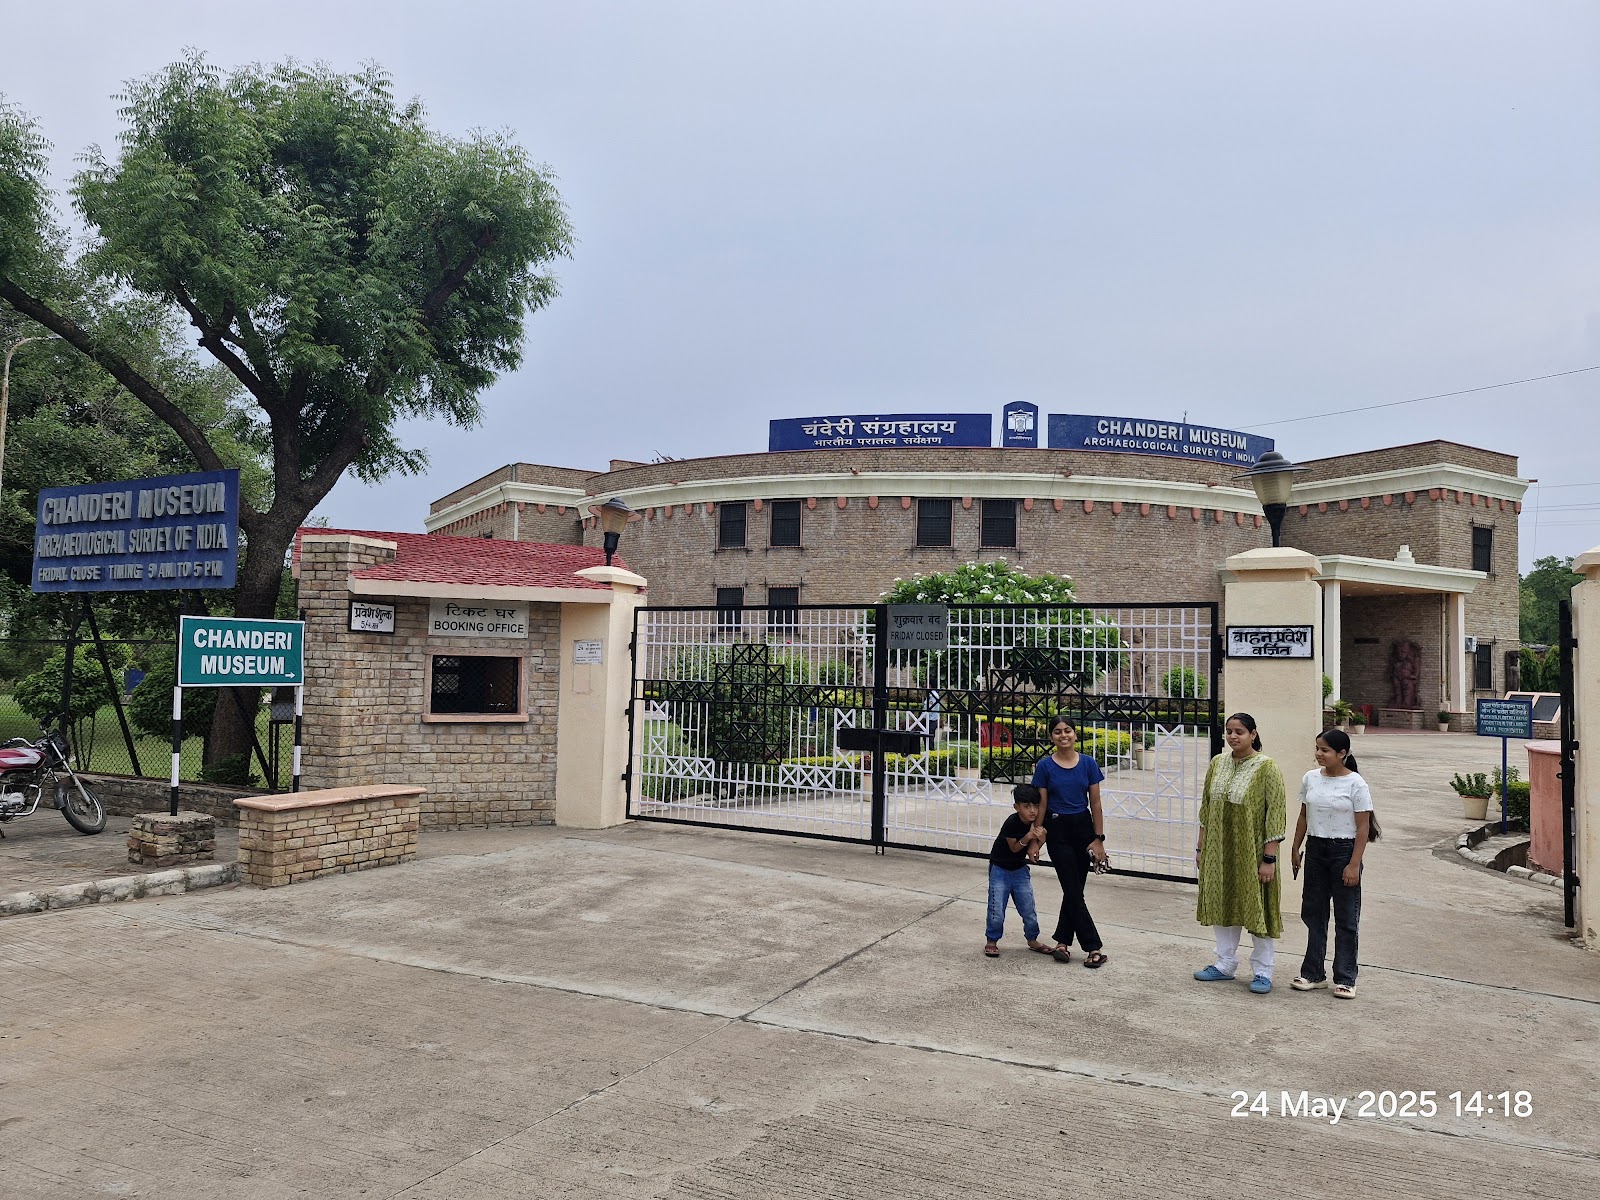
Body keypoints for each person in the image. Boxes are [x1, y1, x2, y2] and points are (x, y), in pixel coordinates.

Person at [1194, 713, 1286, 994]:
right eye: (1229, 731)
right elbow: (1207, 808)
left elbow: (1276, 814)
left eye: (1240, 732)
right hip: (1219, 850)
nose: (1233, 737)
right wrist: (1201, 848)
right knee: (1222, 902)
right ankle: (1224, 964)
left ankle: (1263, 971)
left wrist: (1268, 858)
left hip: (1253, 852)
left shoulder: (1266, 767)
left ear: (1253, 734)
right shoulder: (1218, 763)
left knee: (1257, 907)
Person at [1290, 728, 1375, 999]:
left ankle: (1346, 977)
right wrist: (1295, 847)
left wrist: (1354, 865)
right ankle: (1313, 973)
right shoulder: (1310, 779)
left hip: (1344, 851)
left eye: (1325, 750)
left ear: (1342, 754)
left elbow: (1363, 828)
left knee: (1346, 918)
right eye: (1317, 748)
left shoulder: (1356, 784)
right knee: (1314, 913)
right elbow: (1304, 815)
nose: (1319, 754)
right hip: (1316, 849)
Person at [1029, 715, 1110, 967]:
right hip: (1057, 829)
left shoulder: (1088, 764)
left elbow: (1095, 803)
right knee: (1072, 888)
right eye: (1057, 732)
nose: (1063, 735)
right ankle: (1093, 947)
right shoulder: (1044, 767)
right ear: (1051, 737)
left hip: (1083, 829)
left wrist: (1098, 839)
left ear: (1075, 734)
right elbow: (1042, 804)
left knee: (1074, 890)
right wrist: (1036, 839)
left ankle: (1063, 943)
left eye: (1067, 731)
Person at [983, 785, 1052, 957]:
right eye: (1027, 806)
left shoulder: (1036, 824)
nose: (1032, 811)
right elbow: (1014, 848)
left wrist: (1040, 840)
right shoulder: (1012, 823)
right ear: (1017, 807)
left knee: (1028, 908)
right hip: (1000, 868)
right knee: (996, 909)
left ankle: (1032, 939)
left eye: (1035, 806)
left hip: (1020, 869)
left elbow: (1031, 851)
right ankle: (991, 940)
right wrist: (1028, 837)